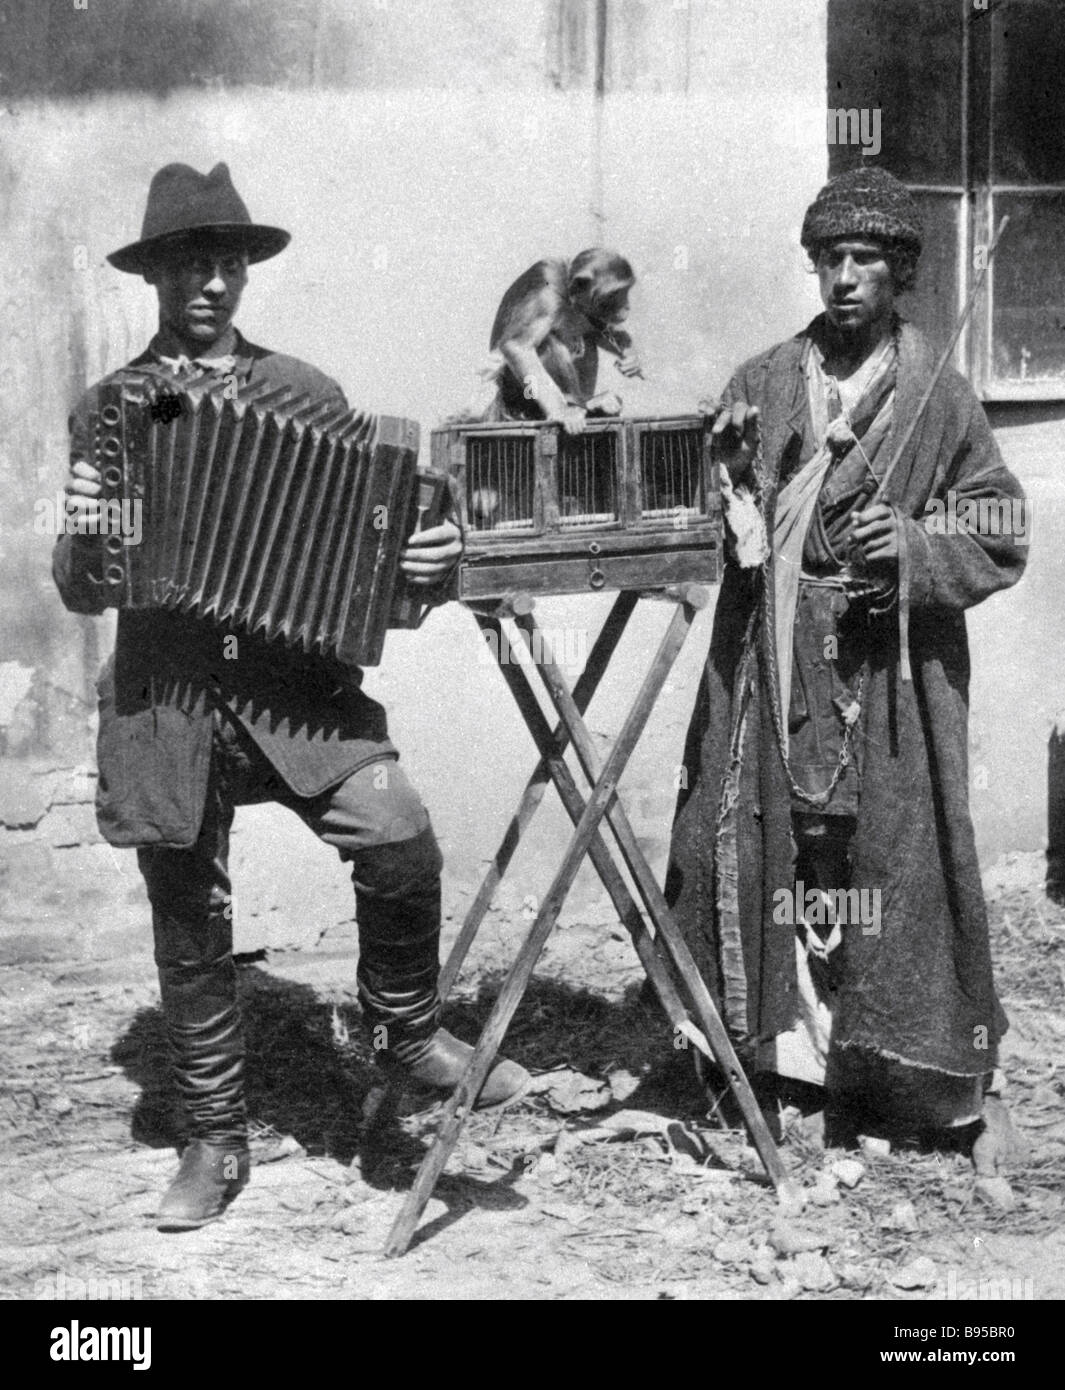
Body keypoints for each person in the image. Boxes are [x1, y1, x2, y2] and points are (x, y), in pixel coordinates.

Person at [53, 162, 528, 1231]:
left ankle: (406, 1032)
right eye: (188, 265)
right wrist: (83, 529)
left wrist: (428, 563)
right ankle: (213, 1136)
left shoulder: (304, 396)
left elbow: (375, 575)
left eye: (225, 263)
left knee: (397, 831)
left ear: (245, 272)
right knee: (189, 908)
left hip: (288, 691)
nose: (210, 284)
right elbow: (85, 586)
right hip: (166, 696)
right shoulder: (115, 411)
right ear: (159, 278)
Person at [665, 167, 1026, 1177]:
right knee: (782, 852)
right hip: (775, 652)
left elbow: (1002, 526)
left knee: (881, 860)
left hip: (889, 672)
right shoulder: (764, 378)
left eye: (867, 260)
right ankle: (782, 1065)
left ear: (900, 273)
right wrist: (727, 484)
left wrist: (911, 542)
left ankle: (889, 1076)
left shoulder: (940, 397)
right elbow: (714, 504)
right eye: (832, 259)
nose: (847, 278)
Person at [477, 248, 642, 435]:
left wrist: (629, 353)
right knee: (555, 347)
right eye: (615, 296)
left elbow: (606, 329)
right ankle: (562, 407)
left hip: (552, 389)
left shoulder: (583, 295)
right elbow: (515, 348)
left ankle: (578, 406)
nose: (625, 305)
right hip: (522, 388)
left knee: (584, 336)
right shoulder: (547, 292)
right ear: (580, 285)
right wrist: (557, 408)